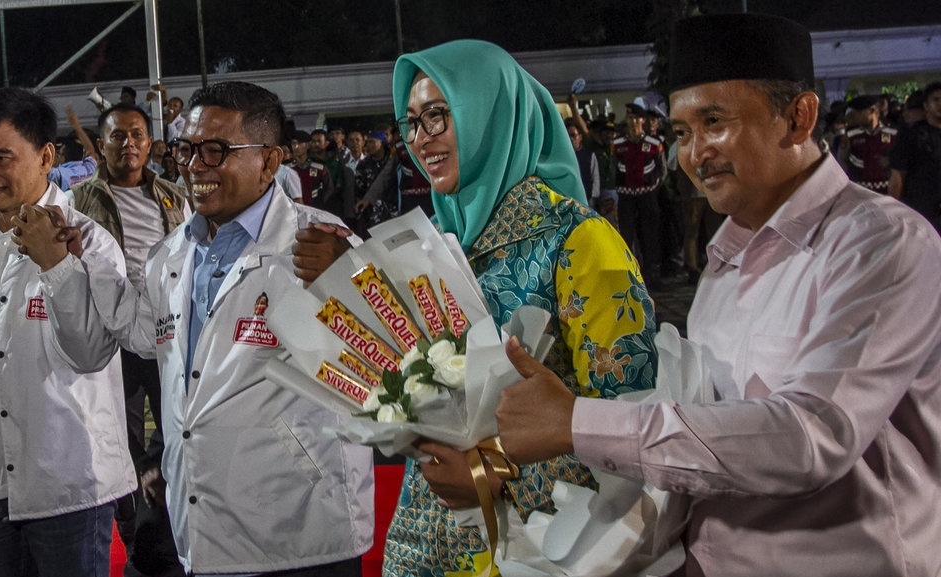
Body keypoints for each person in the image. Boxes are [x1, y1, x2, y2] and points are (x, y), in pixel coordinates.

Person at [496, 13, 941, 577]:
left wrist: (580, 423)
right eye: (682, 133)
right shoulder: (726, 258)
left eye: (715, 121)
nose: (695, 153)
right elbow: (705, 430)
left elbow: (811, 437)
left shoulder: (880, 243)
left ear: (799, 118)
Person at [296, 39, 657, 576]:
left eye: (438, 116)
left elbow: (632, 427)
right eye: (411, 122)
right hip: (425, 539)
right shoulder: (437, 243)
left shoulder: (578, 241)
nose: (421, 140)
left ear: (493, 112)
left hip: (536, 547)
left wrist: (491, 475)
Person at [15, 81, 374, 577]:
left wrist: (351, 282)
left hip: (302, 529)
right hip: (204, 526)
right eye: (187, 149)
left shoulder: (324, 243)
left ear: (270, 162)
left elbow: (387, 366)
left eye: (216, 150)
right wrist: (82, 264)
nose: (194, 165)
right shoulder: (172, 255)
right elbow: (142, 334)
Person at [0, 87, 137, 577]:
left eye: (2, 158)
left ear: (45, 157)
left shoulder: (89, 241)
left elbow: (90, 353)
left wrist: (58, 265)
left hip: (66, 487)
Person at [71, 101, 190, 577]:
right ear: (101, 146)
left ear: (149, 140)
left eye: (137, 134)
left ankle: (158, 517)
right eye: (118, 136)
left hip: (165, 331)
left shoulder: (172, 195)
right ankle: (132, 522)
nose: (129, 144)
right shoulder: (80, 199)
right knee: (117, 433)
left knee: (173, 425)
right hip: (110, 332)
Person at [613, 101, 667, 288]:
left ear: (643, 120)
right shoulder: (618, 143)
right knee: (627, 236)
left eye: (636, 118)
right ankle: (631, 276)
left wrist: (652, 187)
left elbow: (662, 170)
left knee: (650, 235)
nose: (633, 121)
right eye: (630, 117)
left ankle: (653, 273)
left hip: (647, 195)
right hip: (626, 197)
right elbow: (614, 168)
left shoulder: (654, 143)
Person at [889, 81, 941, 232]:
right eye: (935, 100)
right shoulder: (912, 135)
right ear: (926, 105)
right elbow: (897, 174)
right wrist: (894, 210)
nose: (940, 104)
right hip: (922, 208)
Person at [837, 94, 897, 193]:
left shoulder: (893, 133)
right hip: (860, 190)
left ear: (872, 110)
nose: (856, 116)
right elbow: (841, 161)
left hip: (886, 190)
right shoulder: (851, 136)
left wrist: (890, 161)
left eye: (859, 112)